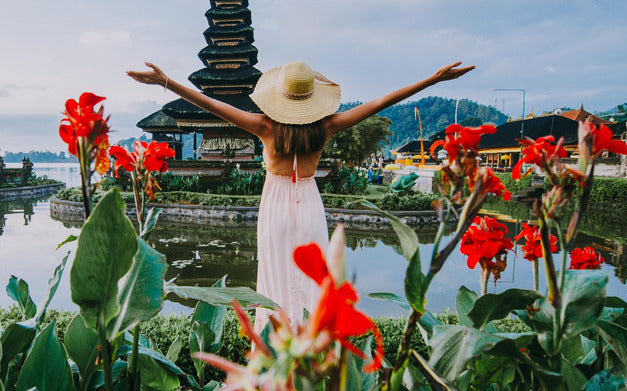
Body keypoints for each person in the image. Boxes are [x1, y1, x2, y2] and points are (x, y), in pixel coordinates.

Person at [127, 61, 473, 327]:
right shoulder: (325, 127)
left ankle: (274, 347)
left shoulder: (264, 126)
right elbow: (381, 102)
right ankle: (314, 343)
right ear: (311, 99)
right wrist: (432, 79)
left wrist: (165, 81)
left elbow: (211, 105)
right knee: (313, 279)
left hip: (275, 206)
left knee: (274, 276)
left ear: (280, 97)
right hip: (309, 204)